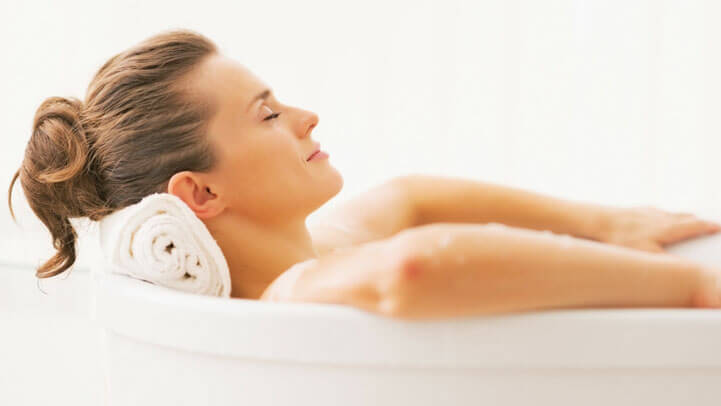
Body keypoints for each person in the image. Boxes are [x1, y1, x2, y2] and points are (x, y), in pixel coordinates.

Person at [8, 29, 721, 320]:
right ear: (201, 194)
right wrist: (689, 288)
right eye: (267, 115)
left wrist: (606, 223)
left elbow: (411, 199)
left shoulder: (322, 246)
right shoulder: (294, 292)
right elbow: (410, 270)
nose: (307, 117)